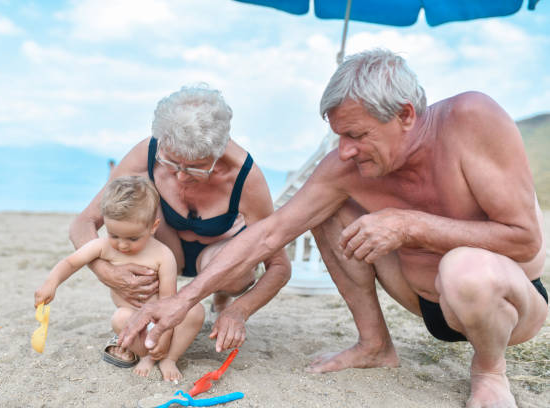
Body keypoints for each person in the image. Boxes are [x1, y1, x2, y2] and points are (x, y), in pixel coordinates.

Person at [119, 49, 548, 407]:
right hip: (423, 298)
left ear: (405, 114)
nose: (345, 151)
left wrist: (408, 225)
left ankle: (489, 372)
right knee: (326, 208)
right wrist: (184, 300)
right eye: (338, 136)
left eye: (356, 135)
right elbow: (270, 234)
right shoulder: (350, 167)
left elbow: (524, 237)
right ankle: (375, 344)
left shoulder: (471, 119)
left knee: (464, 268)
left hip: (503, 302)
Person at [69, 85, 291, 357]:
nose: (182, 177)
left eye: (197, 167)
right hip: (165, 247)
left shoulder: (245, 177)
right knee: (125, 238)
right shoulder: (148, 154)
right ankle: (139, 324)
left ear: (218, 152)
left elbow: (279, 265)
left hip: (217, 255)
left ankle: (222, 294)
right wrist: (106, 271)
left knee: (233, 270)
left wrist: (239, 310)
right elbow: (84, 222)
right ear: (162, 144)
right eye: (172, 165)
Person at [35, 176, 205, 381]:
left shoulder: (162, 255)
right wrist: (50, 283)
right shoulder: (103, 246)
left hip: (161, 317)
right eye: (114, 235)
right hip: (133, 319)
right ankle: (145, 356)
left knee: (195, 311)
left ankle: (170, 358)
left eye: (133, 238)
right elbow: (71, 263)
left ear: (153, 227)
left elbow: (168, 301)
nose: (123, 245)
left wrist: (164, 333)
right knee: (120, 317)